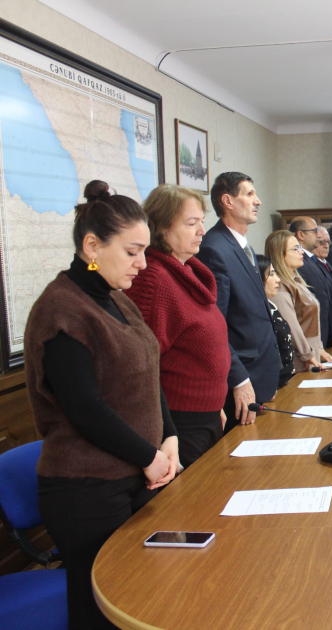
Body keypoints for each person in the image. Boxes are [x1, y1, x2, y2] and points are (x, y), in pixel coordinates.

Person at [24, 180, 179, 629]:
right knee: (102, 612)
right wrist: (148, 455)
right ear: (92, 245)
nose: (143, 264)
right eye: (132, 251)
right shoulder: (61, 311)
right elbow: (85, 409)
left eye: (146, 251)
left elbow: (149, 369)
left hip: (134, 477)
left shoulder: (116, 299)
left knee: (145, 597)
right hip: (85, 491)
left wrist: (167, 435)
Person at [125, 184, 231, 468]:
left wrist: (215, 403)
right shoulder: (153, 280)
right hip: (178, 421)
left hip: (207, 414)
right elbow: (142, 364)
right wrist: (166, 432)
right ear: (160, 229)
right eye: (191, 223)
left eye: (201, 222)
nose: (202, 231)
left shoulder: (189, 271)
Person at [196, 172, 281, 432]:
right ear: (228, 201)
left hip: (262, 374)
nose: (258, 201)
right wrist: (239, 379)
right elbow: (216, 324)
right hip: (242, 380)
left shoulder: (240, 244)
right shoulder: (214, 248)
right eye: (249, 194)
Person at [265, 230, 332, 373]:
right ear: (280, 254)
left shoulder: (297, 281)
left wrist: (319, 348)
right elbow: (291, 327)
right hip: (300, 359)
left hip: (311, 353)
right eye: (295, 249)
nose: (301, 252)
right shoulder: (280, 285)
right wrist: (307, 354)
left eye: (300, 247)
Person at [289, 216, 332, 347]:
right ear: (301, 234)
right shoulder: (299, 262)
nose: (318, 234)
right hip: (310, 335)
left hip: (322, 331)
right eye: (314, 231)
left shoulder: (311, 259)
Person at [257, 254, 296, 389]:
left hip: (285, 379)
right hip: (271, 384)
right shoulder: (257, 309)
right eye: (271, 274)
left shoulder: (271, 305)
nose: (278, 280)